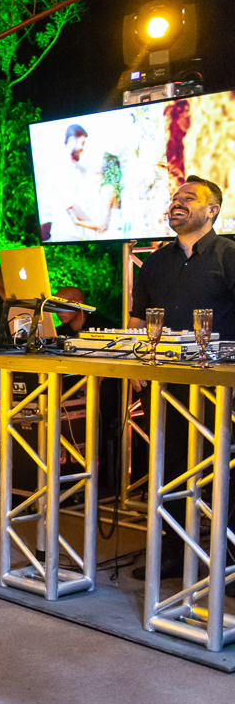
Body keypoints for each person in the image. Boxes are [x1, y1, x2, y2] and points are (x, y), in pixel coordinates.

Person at [128, 175, 235, 589]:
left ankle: (227, 561)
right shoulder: (155, 260)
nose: (177, 202)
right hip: (167, 387)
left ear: (212, 211)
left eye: (188, 198)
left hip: (221, 388)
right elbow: (138, 319)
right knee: (170, 468)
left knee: (225, 472)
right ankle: (173, 554)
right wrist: (135, 362)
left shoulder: (229, 256)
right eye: (175, 197)